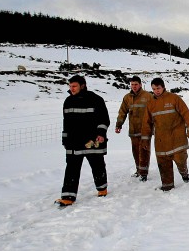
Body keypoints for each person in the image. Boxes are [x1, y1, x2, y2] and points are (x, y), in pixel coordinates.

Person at [55, 75, 110, 207]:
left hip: (92, 141)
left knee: (97, 165)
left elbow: (104, 119)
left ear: (83, 86)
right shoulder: (68, 101)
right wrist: (65, 138)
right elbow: (66, 122)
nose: (71, 89)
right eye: (70, 86)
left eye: (74, 86)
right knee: (71, 169)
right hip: (74, 141)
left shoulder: (96, 100)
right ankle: (68, 197)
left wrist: (101, 133)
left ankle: (102, 189)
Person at [141, 77, 189, 192]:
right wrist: (145, 140)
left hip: (177, 137)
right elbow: (146, 123)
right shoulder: (150, 104)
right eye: (154, 89)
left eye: (158, 88)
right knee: (163, 163)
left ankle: (184, 173)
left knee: (180, 160)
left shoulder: (174, 98)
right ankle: (167, 185)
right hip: (161, 140)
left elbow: (186, 113)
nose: (156, 91)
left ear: (163, 87)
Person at [115, 75, 153, 181]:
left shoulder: (148, 96)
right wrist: (119, 124)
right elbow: (122, 111)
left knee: (144, 151)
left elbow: (154, 111)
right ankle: (139, 170)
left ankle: (144, 173)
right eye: (132, 84)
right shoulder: (127, 97)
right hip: (133, 130)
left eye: (136, 84)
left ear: (140, 84)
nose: (134, 86)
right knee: (135, 151)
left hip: (145, 130)